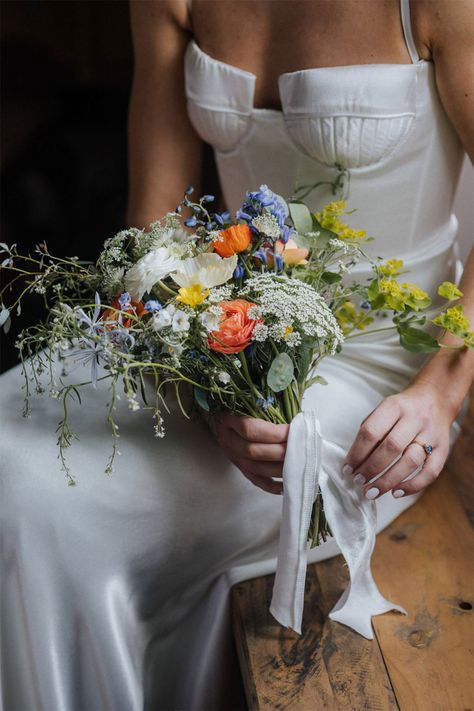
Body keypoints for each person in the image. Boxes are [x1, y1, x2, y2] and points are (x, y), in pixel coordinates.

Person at [1, 0, 473, 709]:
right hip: (224, 340)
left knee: (39, 501)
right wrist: (203, 383)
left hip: (386, 377)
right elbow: (157, 216)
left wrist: (440, 393)